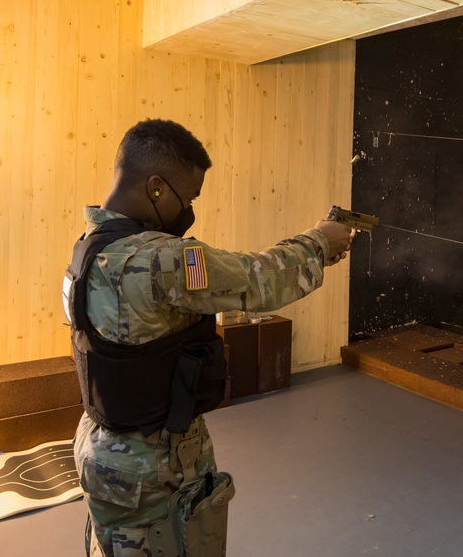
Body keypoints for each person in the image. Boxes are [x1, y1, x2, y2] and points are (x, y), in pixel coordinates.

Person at [63, 118, 353, 556]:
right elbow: (257, 278)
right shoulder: (162, 259)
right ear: (157, 187)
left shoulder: (89, 247)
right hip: (154, 468)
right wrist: (318, 243)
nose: (189, 209)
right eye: (188, 197)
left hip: (103, 451)